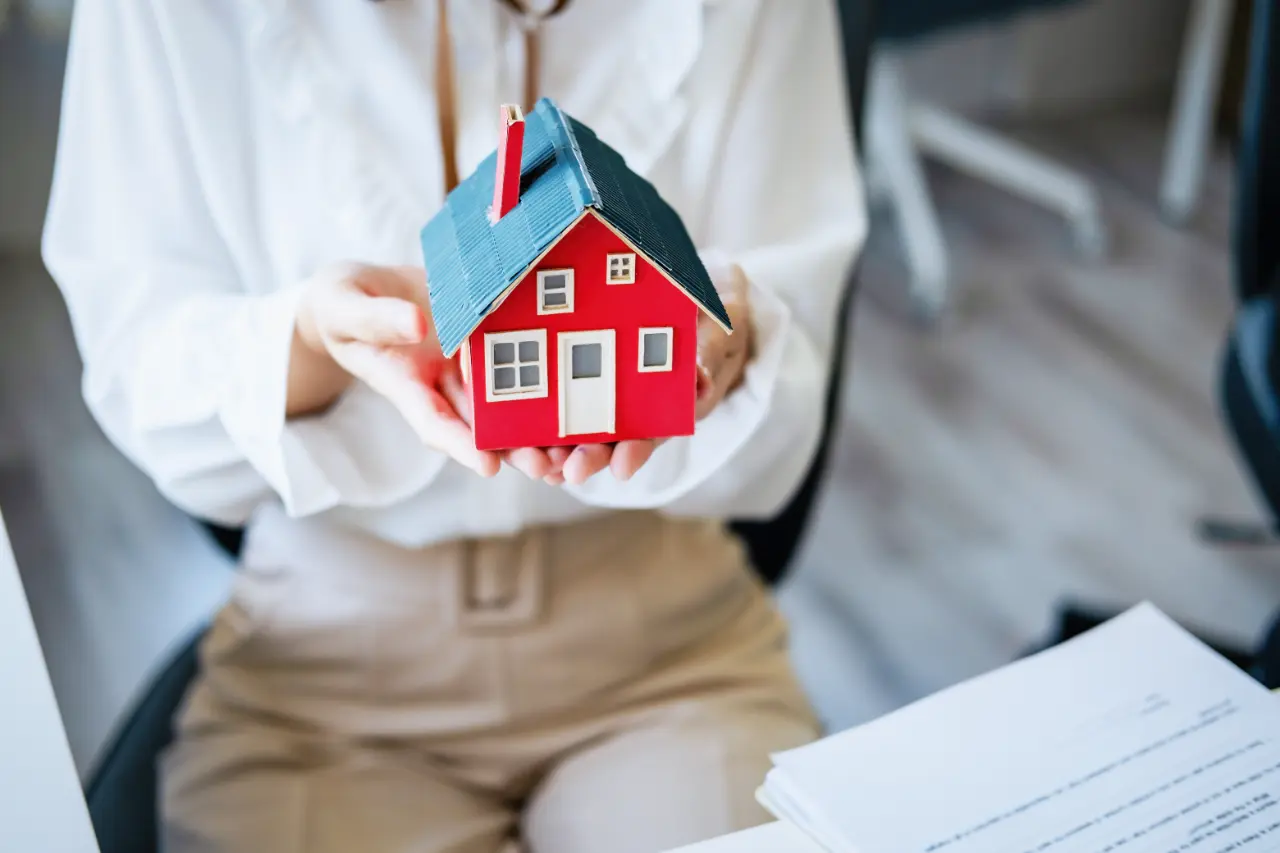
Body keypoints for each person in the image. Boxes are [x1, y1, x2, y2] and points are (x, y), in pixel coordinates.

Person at [42, 1, 866, 851]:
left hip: (673, 650)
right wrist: (313, 344)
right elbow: (139, 363)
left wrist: (738, 341)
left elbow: (790, 378)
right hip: (321, 676)